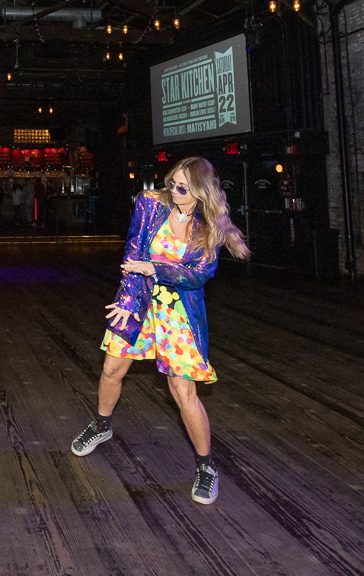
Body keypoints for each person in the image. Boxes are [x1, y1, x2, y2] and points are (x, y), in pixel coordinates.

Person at [70, 156, 249, 505]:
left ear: (200, 190)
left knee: (184, 393)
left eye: (183, 187)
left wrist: (156, 268)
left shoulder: (210, 226)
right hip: (139, 302)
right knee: (111, 368)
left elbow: (199, 275)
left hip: (178, 312)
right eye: (171, 183)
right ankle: (102, 426)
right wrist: (125, 300)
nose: (174, 191)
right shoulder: (150, 204)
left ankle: (206, 466)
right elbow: (134, 251)